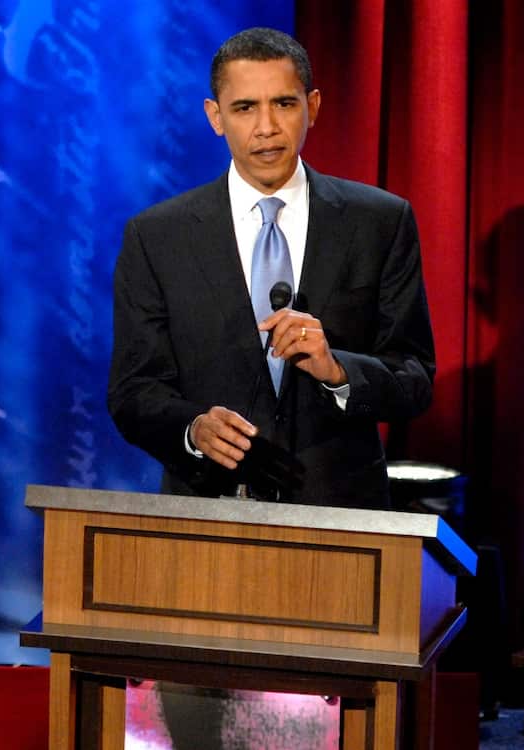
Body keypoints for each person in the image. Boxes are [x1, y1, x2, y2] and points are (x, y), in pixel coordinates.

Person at [108, 27, 435, 510]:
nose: (266, 127)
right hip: (207, 518)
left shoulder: (380, 222)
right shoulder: (157, 237)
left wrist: (338, 370)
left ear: (314, 106)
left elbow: (414, 379)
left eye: (284, 104)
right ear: (215, 117)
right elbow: (133, 391)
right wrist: (193, 430)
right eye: (244, 108)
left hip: (341, 518)